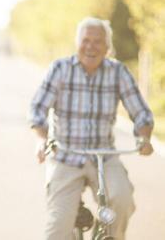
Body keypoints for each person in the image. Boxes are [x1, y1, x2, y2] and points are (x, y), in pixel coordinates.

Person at [29, 17, 154, 240]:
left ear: (108, 47)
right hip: (66, 156)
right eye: (86, 40)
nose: (91, 46)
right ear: (77, 43)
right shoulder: (60, 69)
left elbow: (142, 113)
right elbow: (38, 109)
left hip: (104, 156)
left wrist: (144, 138)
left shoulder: (118, 72)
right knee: (57, 228)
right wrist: (41, 139)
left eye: (98, 41)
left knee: (123, 201)